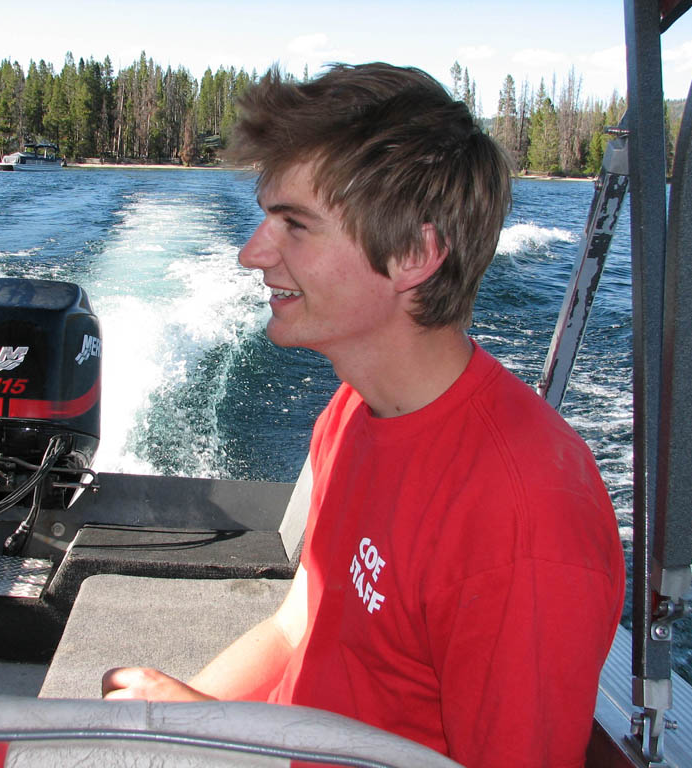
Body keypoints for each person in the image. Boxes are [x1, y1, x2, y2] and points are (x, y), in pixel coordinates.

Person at [101, 63, 625, 768]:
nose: (251, 253)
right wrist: (184, 718)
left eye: (295, 226)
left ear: (413, 255)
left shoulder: (523, 517)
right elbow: (301, 624)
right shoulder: (353, 408)